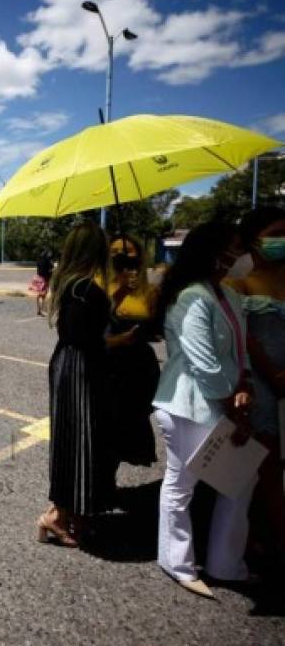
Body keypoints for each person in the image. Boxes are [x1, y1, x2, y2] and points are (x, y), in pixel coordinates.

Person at [152, 221, 255, 599]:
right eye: (234, 248)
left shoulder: (225, 293)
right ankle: (176, 563)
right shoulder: (190, 298)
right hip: (189, 406)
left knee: (239, 483)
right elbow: (204, 363)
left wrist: (243, 385)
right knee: (182, 486)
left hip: (223, 402)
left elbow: (236, 351)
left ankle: (226, 565)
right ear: (214, 252)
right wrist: (234, 398)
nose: (241, 256)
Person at [37, 221, 112, 549]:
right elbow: (85, 337)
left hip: (68, 363)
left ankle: (71, 512)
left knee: (75, 439)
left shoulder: (70, 283)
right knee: (80, 440)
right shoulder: (86, 289)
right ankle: (57, 515)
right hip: (80, 366)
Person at [228, 206, 285, 568]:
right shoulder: (240, 284)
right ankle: (263, 539)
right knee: (262, 467)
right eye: (275, 234)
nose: (282, 242)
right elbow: (242, 337)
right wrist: (272, 375)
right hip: (262, 385)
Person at [104, 237, 159, 475]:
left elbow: (157, 329)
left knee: (129, 424)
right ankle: (102, 482)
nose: (120, 255)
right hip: (107, 364)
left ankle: (109, 478)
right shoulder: (101, 284)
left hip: (138, 367)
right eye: (114, 250)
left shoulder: (149, 290)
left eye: (127, 251)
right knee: (106, 425)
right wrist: (122, 290)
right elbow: (95, 320)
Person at [31, 250, 53, 316]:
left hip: (38, 278)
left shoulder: (39, 261)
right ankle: (42, 311)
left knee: (39, 295)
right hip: (45, 279)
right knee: (43, 295)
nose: (50, 255)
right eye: (49, 253)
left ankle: (39, 310)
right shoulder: (48, 261)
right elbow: (50, 270)